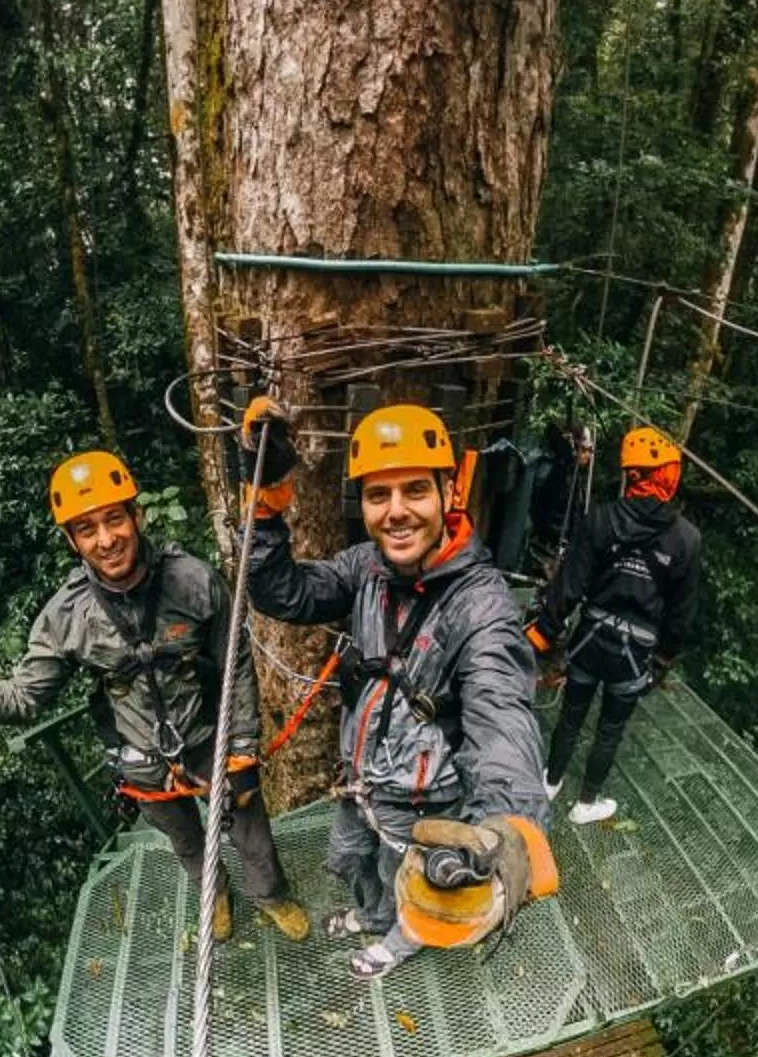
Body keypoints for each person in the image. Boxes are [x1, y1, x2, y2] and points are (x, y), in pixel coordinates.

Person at [0, 450, 307, 943]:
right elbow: (25, 698)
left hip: (209, 738)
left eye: (113, 520)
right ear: (72, 541)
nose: (106, 540)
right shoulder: (67, 617)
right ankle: (215, 894)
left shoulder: (192, 581)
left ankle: (271, 894)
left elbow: (233, 660)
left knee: (249, 826)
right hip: (141, 758)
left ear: (136, 515)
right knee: (187, 841)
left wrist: (243, 747)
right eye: (87, 529)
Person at [240, 402, 553, 979]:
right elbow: (282, 593)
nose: (396, 512)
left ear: (447, 492)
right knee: (352, 861)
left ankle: (395, 944)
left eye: (415, 490)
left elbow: (501, 711)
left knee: (410, 878)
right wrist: (266, 506)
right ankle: (372, 915)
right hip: (364, 780)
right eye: (378, 496)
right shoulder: (366, 568)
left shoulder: (481, 607)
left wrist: (508, 823)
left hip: (425, 802)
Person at [528, 424, 703, 826]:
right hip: (634, 652)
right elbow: (682, 612)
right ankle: (586, 803)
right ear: (665, 475)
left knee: (572, 713)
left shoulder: (601, 519)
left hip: (590, 639)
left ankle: (551, 781)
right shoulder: (686, 540)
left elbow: (569, 584)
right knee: (609, 730)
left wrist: (544, 631)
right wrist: (661, 662)